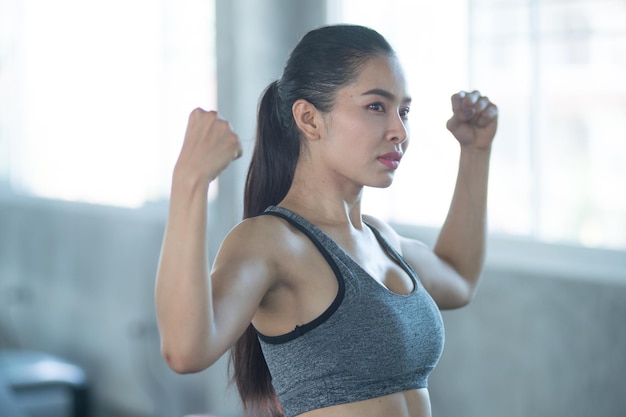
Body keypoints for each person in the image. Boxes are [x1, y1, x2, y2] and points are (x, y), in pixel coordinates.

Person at [155, 24, 498, 417]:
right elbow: (184, 351)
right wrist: (190, 182)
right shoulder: (271, 242)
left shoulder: (381, 239)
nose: (399, 131)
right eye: (376, 107)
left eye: (404, 111)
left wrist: (476, 152)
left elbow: (459, 279)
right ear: (310, 119)